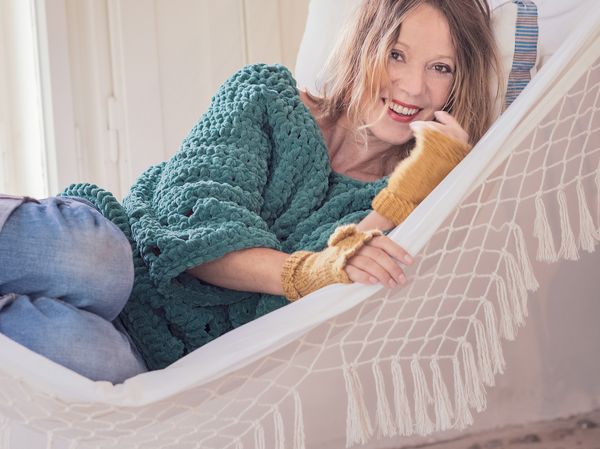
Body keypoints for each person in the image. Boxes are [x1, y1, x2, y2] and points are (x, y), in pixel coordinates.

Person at [0, 0, 499, 383]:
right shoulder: (265, 96)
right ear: (366, 46)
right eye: (397, 55)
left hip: (151, 355)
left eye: (441, 67)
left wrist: (409, 190)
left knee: (87, 355)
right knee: (99, 261)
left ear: (459, 83)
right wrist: (309, 271)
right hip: (125, 251)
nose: (412, 87)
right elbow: (192, 229)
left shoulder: (406, 208)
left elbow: (316, 305)